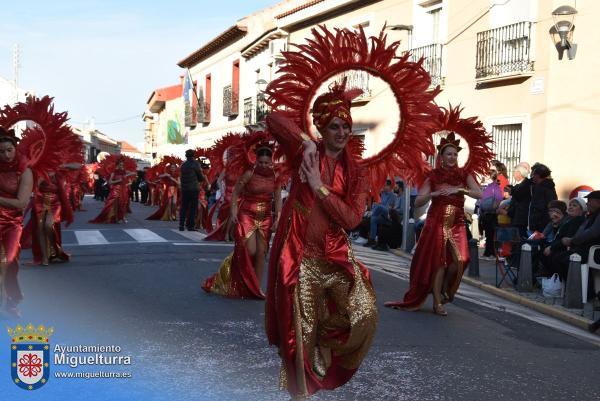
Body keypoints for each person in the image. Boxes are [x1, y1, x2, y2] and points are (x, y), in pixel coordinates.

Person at [265, 83, 378, 399]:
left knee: (364, 313)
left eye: (345, 126)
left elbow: (353, 219)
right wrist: (306, 142)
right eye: (334, 127)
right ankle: (300, 394)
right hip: (300, 257)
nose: (342, 133)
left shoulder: (356, 172)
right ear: (321, 128)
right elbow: (273, 118)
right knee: (299, 332)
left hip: (336, 258)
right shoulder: (304, 151)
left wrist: (319, 187)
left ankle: (322, 346)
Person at [385, 133, 482, 316]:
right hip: (436, 222)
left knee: (462, 259)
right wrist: (433, 195)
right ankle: (438, 302)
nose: (452, 157)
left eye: (455, 154)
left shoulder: (464, 174)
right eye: (449, 154)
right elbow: (419, 201)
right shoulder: (433, 175)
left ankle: (445, 287)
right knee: (439, 262)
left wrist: (459, 189)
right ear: (441, 157)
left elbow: (479, 194)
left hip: (458, 223)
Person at [202, 143, 281, 298]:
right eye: (260, 163)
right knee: (249, 250)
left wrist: (278, 218)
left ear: (271, 162)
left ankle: (256, 289)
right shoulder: (248, 174)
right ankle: (232, 276)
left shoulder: (276, 176)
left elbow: (277, 199)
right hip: (247, 214)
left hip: (265, 217)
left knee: (261, 253)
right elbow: (236, 193)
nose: (263, 166)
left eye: (266, 163)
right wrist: (233, 212)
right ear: (255, 161)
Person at [0, 127, 33, 316]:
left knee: (10, 262)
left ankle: (12, 299)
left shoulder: (24, 171)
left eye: (9, 150)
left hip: (12, 223)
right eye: (1, 151)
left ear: (15, 148)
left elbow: (21, 203)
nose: (6, 155)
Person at [546, 191, 600, 281]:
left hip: (593, 251)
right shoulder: (591, 216)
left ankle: (574, 287)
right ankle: (568, 285)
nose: (587, 203)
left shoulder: (591, 216)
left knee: (561, 258)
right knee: (558, 257)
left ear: (598, 201)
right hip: (584, 248)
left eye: (590, 200)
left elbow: (592, 232)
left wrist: (572, 240)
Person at [538, 198, 586, 276]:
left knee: (552, 257)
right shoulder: (570, 220)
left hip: (565, 249)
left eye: (574, 205)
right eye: (570, 205)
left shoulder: (577, 220)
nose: (570, 207)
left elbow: (567, 239)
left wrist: (551, 247)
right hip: (559, 246)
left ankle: (555, 280)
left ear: (581, 210)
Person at [89, 158, 136, 224]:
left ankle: (122, 217)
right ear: (117, 165)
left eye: (122, 165)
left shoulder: (125, 171)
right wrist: (119, 180)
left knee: (123, 203)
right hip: (116, 189)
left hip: (123, 189)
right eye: (120, 165)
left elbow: (134, 173)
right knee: (112, 203)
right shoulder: (114, 172)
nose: (121, 166)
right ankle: (112, 217)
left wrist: (126, 175)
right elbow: (110, 182)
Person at [479, 165, 504, 258]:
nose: (484, 177)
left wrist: (494, 207)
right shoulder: (488, 186)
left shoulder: (494, 187)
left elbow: (498, 199)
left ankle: (491, 252)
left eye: (486, 175)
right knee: (488, 234)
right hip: (485, 213)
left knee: (490, 234)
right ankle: (489, 252)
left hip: (491, 214)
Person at [178, 149, 205, 231]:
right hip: (193, 188)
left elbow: (181, 177)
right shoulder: (195, 164)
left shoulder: (183, 165)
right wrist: (202, 178)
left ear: (186, 156)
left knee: (184, 207)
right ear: (194, 155)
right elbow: (200, 177)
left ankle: (181, 225)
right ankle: (190, 225)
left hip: (185, 189)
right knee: (193, 208)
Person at [364, 180, 397, 247]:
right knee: (374, 219)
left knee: (378, 207)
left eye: (385, 185)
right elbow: (378, 204)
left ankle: (371, 214)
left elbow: (388, 208)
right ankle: (372, 239)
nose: (383, 187)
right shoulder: (382, 194)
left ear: (389, 186)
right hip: (380, 214)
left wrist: (376, 208)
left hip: (388, 215)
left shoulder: (393, 196)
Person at [504, 162, 531, 238]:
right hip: (516, 216)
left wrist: (511, 191)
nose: (513, 175)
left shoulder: (526, 184)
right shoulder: (520, 184)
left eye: (514, 173)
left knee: (519, 238)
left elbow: (519, 197)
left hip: (520, 217)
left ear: (519, 173)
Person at [528, 163, 557, 233]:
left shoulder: (545, 188)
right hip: (537, 224)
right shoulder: (538, 186)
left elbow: (550, 205)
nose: (531, 176)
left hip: (541, 225)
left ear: (537, 176)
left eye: (533, 174)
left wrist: (537, 222)